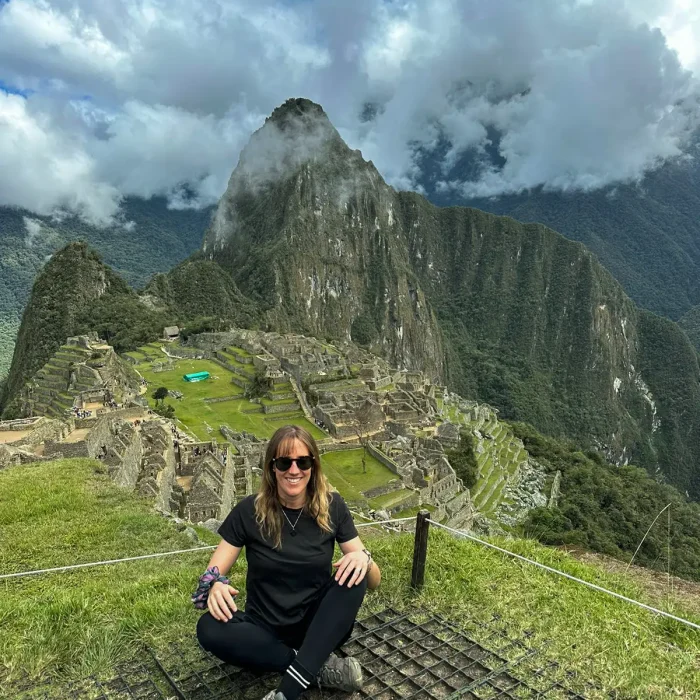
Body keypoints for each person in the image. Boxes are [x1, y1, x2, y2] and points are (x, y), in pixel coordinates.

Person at [195, 425, 381, 700]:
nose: (294, 470)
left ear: (313, 466)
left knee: (356, 573)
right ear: (272, 467)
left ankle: (287, 691)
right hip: (263, 629)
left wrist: (364, 558)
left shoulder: (333, 507)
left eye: (302, 461)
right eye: (284, 462)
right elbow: (211, 574)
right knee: (208, 627)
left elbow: (374, 581)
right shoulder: (248, 511)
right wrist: (214, 587)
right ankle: (313, 665)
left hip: (318, 624)